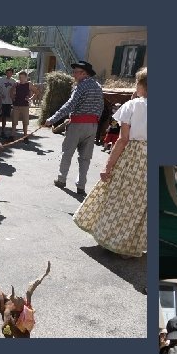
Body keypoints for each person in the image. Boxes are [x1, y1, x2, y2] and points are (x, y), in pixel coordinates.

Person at [72, 67, 146, 257]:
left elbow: (122, 139)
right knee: (138, 205)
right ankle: (128, 247)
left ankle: (109, 239)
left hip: (132, 157)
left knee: (118, 199)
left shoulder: (132, 106)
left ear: (140, 85)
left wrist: (108, 166)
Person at [45, 60, 104, 197]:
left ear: (84, 73)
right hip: (92, 125)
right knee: (85, 158)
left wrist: (52, 119)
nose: (73, 74)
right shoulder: (98, 86)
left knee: (67, 153)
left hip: (77, 124)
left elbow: (70, 104)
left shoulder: (81, 86)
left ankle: (61, 179)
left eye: (76, 72)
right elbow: (101, 107)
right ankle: (81, 186)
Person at [0, 67, 17, 139]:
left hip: (8, 102)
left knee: (4, 118)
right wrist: (0, 94)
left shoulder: (14, 81)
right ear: (6, 73)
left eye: (10, 72)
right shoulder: (1, 80)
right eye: (7, 72)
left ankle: (3, 132)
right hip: (1, 101)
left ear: (12, 73)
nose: (9, 74)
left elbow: (15, 91)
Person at [11, 70, 32, 140]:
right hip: (16, 105)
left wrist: (30, 98)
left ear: (26, 77)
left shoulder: (29, 84)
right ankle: (12, 136)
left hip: (25, 106)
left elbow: (37, 92)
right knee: (14, 122)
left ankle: (25, 136)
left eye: (22, 77)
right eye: (20, 77)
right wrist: (12, 98)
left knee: (25, 122)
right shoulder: (16, 83)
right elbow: (11, 91)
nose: (21, 79)